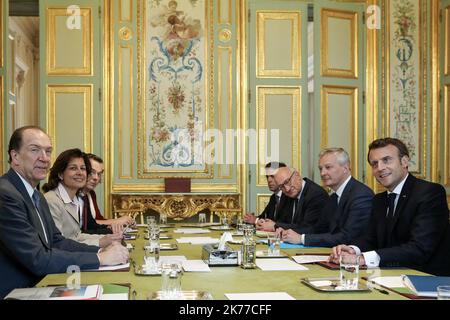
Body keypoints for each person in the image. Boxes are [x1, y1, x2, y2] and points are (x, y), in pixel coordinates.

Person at [0, 126, 128, 298]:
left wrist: (100, 251)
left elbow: (57, 241)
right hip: (17, 291)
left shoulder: (36, 195)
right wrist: (101, 259)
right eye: (35, 150)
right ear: (15, 156)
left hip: (44, 281)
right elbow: (37, 258)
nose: (44, 158)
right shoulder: (5, 194)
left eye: (48, 151)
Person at [329, 138, 450, 276]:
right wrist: (352, 249)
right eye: (375, 164)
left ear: (404, 162)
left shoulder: (429, 193)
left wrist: (361, 259)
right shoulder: (379, 200)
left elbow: (419, 248)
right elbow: (371, 239)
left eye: (386, 160)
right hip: (390, 276)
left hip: (427, 280)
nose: (380, 168)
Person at [279, 148, 374, 247]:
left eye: (328, 167)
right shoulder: (333, 198)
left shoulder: (361, 195)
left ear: (345, 168)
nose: (322, 173)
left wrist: (301, 238)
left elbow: (348, 237)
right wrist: (288, 233)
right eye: (320, 169)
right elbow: (318, 228)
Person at [42, 149, 123, 247]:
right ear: (60, 174)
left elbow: (77, 236)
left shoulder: (74, 199)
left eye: (83, 168)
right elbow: (57, 244)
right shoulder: (51, 200)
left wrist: (108, 238)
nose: (80, 173)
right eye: (73, 168)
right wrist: (99, 243)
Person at [258, 166, 328, 232]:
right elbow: (283, 221)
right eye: (281, 186)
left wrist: (275, 226)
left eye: (287, 182)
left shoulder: (316, 194)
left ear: (297, 175)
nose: (287, 189)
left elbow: (308, 228)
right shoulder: (287, 194)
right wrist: (265, 223)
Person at [82, 153, 134, 234]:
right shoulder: (78, 196)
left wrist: (113, 225)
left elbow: (96, 221)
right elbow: (87, 226)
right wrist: (116, 221)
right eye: (92, 172)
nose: (96, 178)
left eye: (99, 174)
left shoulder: (91, 193)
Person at [243, 162, 289, 227]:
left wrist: (255, 220)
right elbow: (265, 218)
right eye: (267, 176)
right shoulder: (273, 197)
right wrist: (251, 219)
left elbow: (285, 223)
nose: (269, 180)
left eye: (272, 176)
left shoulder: (289, 196)